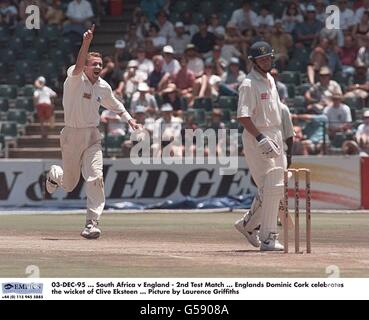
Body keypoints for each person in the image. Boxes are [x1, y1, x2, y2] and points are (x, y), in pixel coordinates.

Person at [45, 25, 139, 239]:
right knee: (69, 185)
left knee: (96, 177)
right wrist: (86, 43)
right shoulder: (74, 78)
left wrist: (129, 119)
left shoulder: (103, 86)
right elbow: (78, 66)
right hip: (71, 135)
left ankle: (91, 223)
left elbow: (115, 104)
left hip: (92, 137)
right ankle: (54, 174)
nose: (98, 66)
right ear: (86, 67)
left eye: (100, 64)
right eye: (94, 64)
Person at [234, 41, 285, 251]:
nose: (266, 61)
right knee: (271, 186)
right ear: (253, 62)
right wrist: (260, 138)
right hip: (258, 136)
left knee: (278, 187)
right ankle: (268, 238)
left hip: (275, 133)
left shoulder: (271, 79)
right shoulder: (248, 84)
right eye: (261, 59)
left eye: (268, 58)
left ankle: (247, 225)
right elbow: (243, 117)